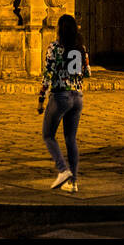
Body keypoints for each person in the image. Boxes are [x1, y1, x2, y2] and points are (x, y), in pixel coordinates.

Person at [38, 13, 89, 193]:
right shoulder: (80, 48)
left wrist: (41, 96)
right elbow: (87, 72)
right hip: (78, 97)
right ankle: (74, 182)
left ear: (59, 29)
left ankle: (63, 170)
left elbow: (48, 75)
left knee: (48, 135)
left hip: (60, 96)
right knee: (70, 139)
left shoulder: (54, 47)